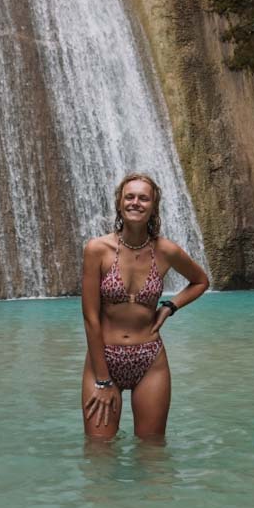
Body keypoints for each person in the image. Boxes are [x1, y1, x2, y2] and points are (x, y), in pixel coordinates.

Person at [81, 172, 209, 440]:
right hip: (103, 360)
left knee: (152, 452)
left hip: (150, 359)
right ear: (119, 203)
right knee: (99, 452)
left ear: (153, 207)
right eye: (129, 197)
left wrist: (169, 307)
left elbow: (200, 281)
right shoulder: (97, 249)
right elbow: (91, 319)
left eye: (143, 198)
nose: (135, 203)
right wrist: (103, 381)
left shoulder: (165, 250)